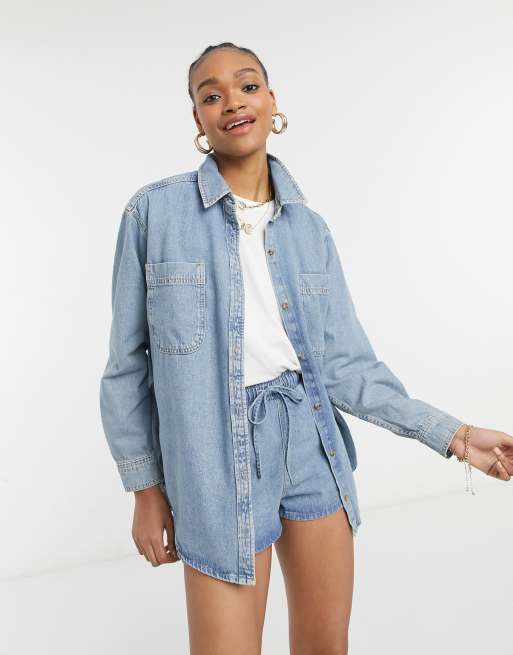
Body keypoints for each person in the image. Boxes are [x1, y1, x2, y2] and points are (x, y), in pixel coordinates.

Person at [99, 41, 513, 654]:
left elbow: (347, 366)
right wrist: (145, 489)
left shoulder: (309, 230)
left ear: (272, 102)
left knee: (326, 646)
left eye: (247, 86)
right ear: (198, 118)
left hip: (311, 442)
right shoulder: (153, 214)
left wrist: (454, 435)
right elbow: (126, 367)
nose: (231, 102)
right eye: (211, 95)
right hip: (212, 461)